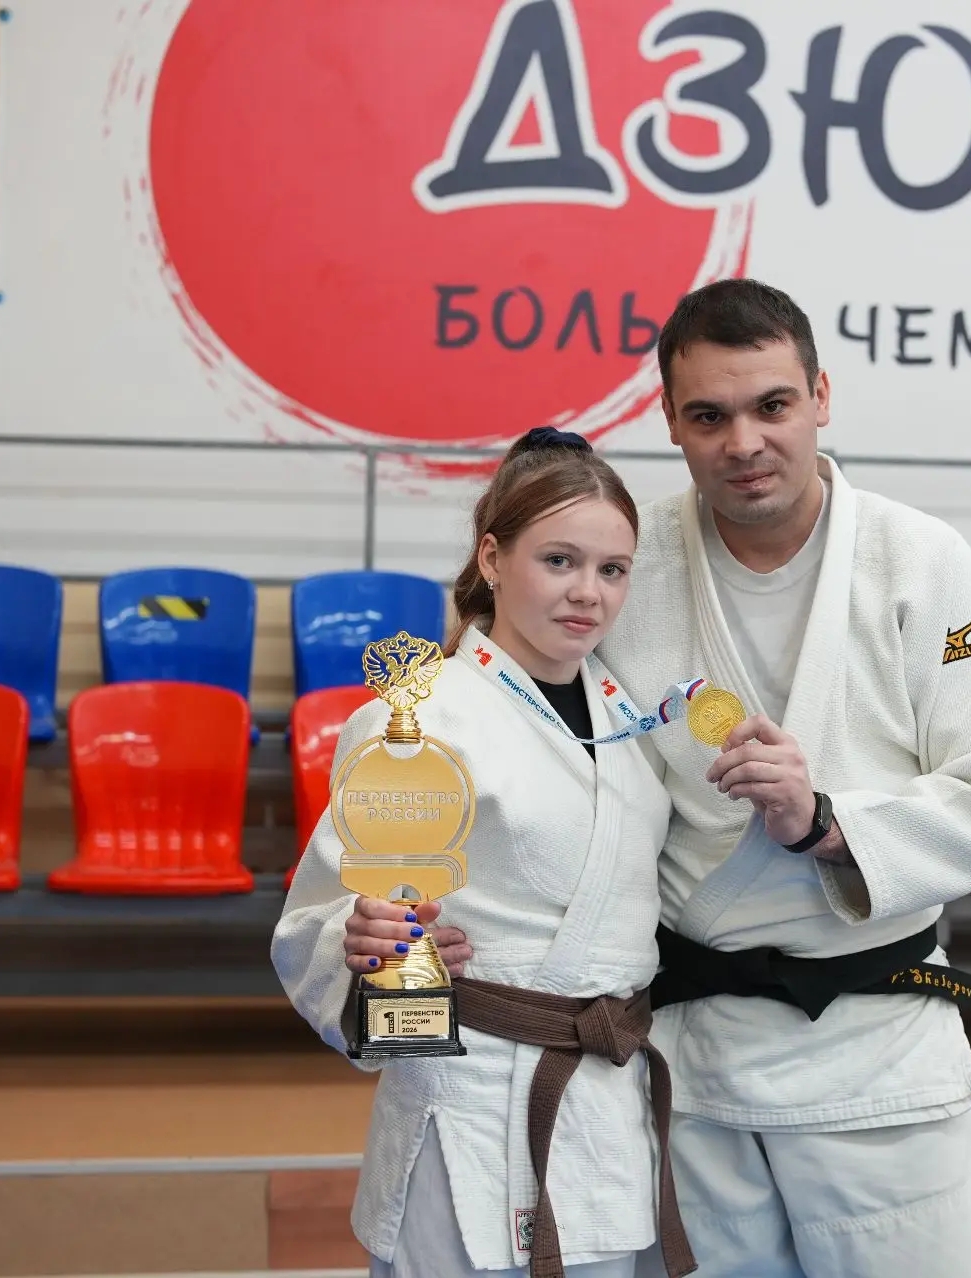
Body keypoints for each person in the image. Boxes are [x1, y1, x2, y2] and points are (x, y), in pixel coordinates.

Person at [601, 278, 971, 1275]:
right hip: (692, 1053)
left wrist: (825, 822)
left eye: (772, 406)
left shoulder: (924, 562)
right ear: (670, 420)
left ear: (821, 397)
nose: (744, 442)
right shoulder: (624, 567)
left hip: (880, 1046)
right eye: (710, 416)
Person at [271, 427, 695, 1278]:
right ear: (493, 558)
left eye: (612, 570)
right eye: (559, 561)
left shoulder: (635, 720)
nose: (589, 593)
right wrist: (364, 938)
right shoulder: (418, 717)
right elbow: (325, 915)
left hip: (607, 1100)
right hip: (468, 1098)